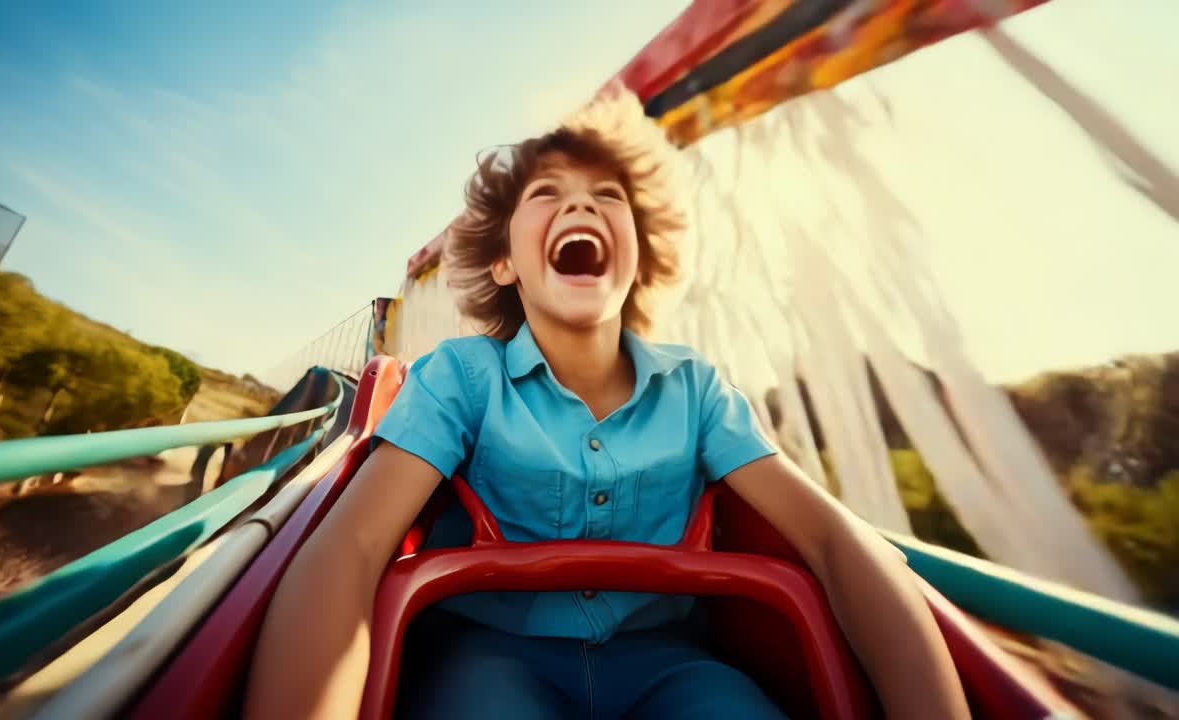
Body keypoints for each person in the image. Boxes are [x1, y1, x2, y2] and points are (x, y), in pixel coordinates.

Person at [246, 91, 970, 720]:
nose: (580, 203)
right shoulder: (462, 378)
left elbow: (833, 542)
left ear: (637, 257)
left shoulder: (697, 390)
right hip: (492, 657)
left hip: (671, 665)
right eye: (546, 194)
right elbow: (353, 545)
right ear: (505, 263)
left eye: (607, 195)